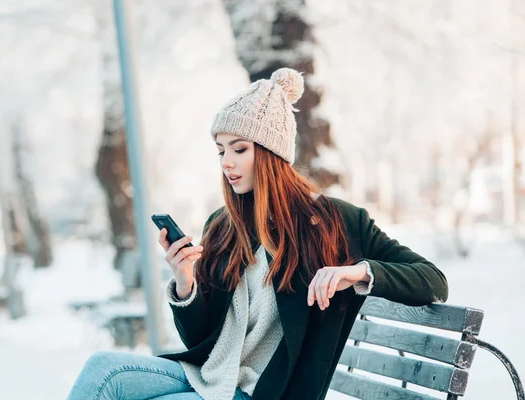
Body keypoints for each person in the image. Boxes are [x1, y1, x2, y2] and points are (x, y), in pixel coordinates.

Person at [67, 68, 449, 400]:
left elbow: (433, 281)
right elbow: (201, 338)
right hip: (213, 378)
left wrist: (357, 272)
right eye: (220, 151)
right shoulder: (224, 225)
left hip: (264, 393)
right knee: (104, 370)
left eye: (239, 149)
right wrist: (185, 283)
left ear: (269, 152)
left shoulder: (336, 222)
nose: (227, 163)